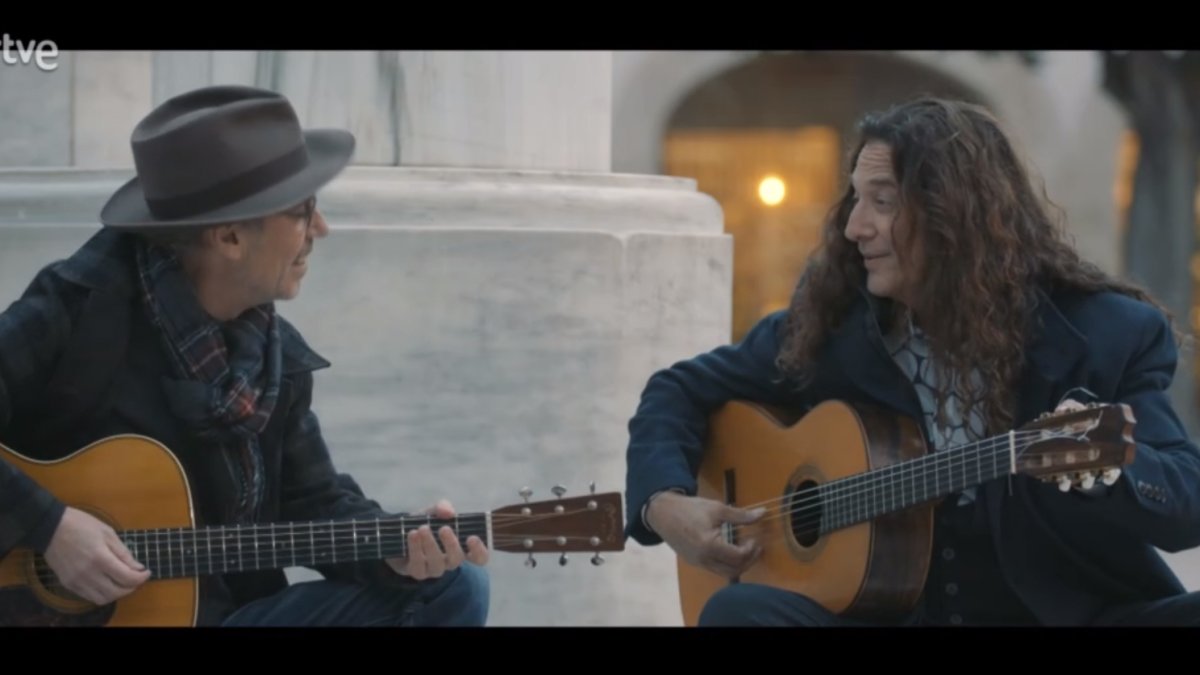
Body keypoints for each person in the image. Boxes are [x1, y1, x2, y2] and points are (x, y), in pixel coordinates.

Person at [624, 96, 1200, 626]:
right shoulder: (835, 327)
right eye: (855, 200)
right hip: (895, 616)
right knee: (738, 610)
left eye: (882, 201)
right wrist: (664, 505)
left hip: (1064, 617)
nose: (854, 227)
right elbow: (677, 390)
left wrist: (1117, 469)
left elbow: (1185, 500)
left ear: (957, 216)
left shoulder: (1103, 334)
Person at [0, 84, 490, 626]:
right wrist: (51, 528)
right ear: (230, 237)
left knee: (454, 587)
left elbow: (314, 502)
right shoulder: (77, 312)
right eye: (303, 212)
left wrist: (398, 549)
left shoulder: (272, 360)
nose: (321, 230)